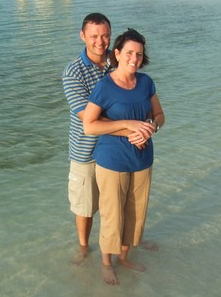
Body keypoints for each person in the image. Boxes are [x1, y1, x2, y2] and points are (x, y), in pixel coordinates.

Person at [62, 14, 148, 266]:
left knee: (120, 205)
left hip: (118, 150)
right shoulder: (73, 72)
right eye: (94, 36)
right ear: (82, 36)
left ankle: (121, 247)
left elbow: (136, 95)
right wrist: (133, 130)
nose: (100, 42)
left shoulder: (120, 58)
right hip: (86, 149)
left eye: (105, 35)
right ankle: (84, 247)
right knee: (86, 206)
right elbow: (87, 119)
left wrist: (144, 127)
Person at [83, 28, 165, 286]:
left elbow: (160, 116)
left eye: (139, 54)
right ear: (117, 54)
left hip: (142, 158)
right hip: (112, 160)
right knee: (112, 214)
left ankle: (124, 257)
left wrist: (150, 128)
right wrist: (128, 124)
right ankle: (106, 263)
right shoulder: (105, 86)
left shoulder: (146, 82)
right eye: (129, 52)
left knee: (135, 211)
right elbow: (89, 125)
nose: (134, 58)